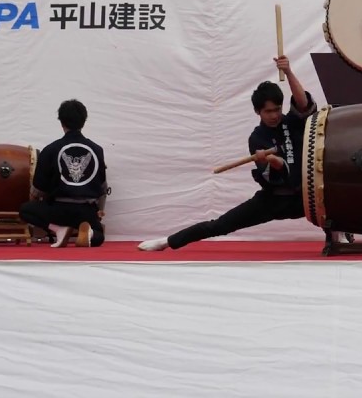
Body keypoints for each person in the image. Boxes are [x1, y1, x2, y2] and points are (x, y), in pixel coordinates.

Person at [138, 55, 347, 251]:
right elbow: (274, 177)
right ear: (258, 112)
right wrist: (273, 162)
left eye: (277, 109)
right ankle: (167, 241)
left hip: (305, 197)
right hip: (274, 201)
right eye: (268, 111)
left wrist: (289, 71)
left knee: (341, 192)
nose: (274, 115)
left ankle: (338, 231)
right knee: (219, 225)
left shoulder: (293, 123)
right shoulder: (257, 138)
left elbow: (304, 104)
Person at [19, 99, 110, 248]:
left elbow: (37, 190)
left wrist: (37, 202)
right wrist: (100, 210)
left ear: (61, 122)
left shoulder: (50, 149)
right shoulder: (97, 150)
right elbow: (102, 187)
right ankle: (90, 233)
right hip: (85, 211)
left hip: (58, 210)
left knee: (25, 210)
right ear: (84, 121)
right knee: (99, 236)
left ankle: (60, 229)